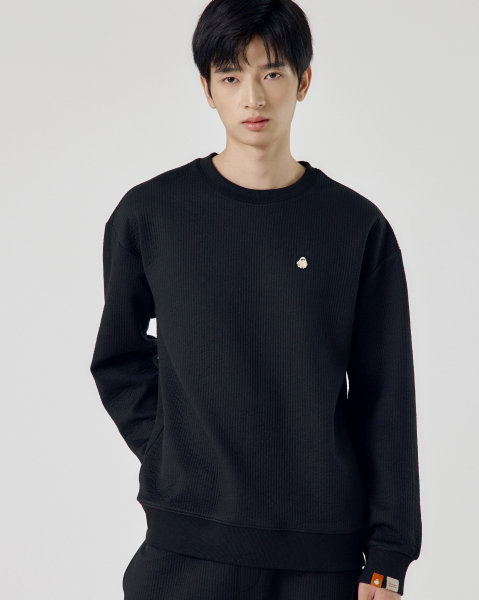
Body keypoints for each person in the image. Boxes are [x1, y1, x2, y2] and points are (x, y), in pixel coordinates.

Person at [90, 1, 422, 598]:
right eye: (230, 76)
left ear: (304, 80)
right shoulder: (151, 216)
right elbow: (117, 358)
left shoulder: (356, 227)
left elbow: (386, 398)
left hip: (322, 562)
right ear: (207, 89)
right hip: (184, 555)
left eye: (272, 72)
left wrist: (388, 557)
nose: (253, 97)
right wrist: (172, 448)